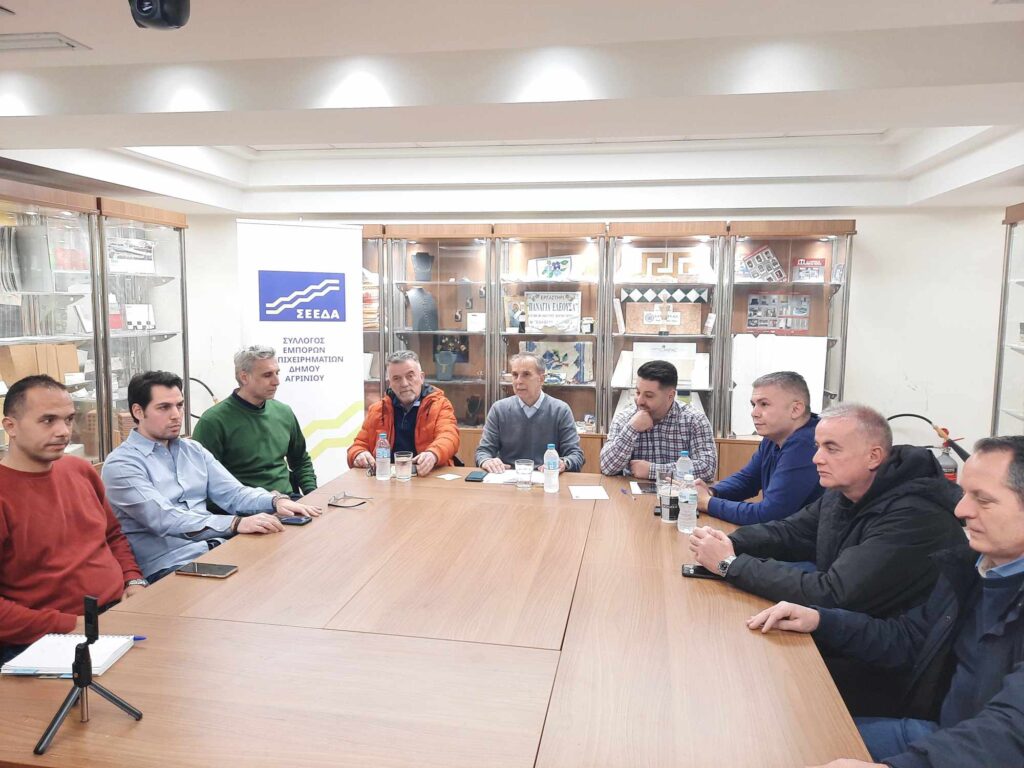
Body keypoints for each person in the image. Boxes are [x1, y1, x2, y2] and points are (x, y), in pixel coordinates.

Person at [748, 436, 1024, 768]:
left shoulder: (921, 521)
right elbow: (910, 638)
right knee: (782, 734)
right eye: (964, 493)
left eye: (984, 500)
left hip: (968, 750)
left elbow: (1011, 731)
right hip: (938, 733)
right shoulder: (973, 566)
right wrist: (821, 620)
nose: (961, 510)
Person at [688, 403, 966, 617]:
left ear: (874, 456)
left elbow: (833, 592)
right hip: (844, 627)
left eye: (831, 449)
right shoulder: (843, 492)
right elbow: (791, 532)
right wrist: (729, 542)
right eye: (818, 447)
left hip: (887, 656)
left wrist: (730, 565)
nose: (816, 458)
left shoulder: (914, 515)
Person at [102, 371, 320, 582]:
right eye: (164, 407)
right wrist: (235, 523)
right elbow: (164, 518)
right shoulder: (122, 465)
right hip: (170, 566)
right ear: (138, 412)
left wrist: (275, 501)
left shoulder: (192, 450)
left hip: (215, 549)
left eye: (179, 405)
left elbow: (233, 493)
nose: (176, 415)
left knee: (293, 568)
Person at [0, 375, 145, 663]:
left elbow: (112, 535)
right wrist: (72, 625)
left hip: (118, 613)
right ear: (10, 426)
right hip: (47, 638)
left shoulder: (80, 470)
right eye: (48, 420)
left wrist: (134, 580)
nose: (63, 431)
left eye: (68, 419)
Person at [696, 371, 823, 525]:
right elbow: (747, 480)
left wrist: (707, 502)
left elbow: (768, 514)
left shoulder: (807, 444)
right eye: (753, 404)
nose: (754, 413)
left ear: (796, 409)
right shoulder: (774, 437)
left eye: (764, 404)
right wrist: (712, 492)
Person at [192, 345, 317, 497]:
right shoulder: (213, 421)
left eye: (277, 373)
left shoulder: (284, 412)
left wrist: (313, 494)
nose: (276, 381)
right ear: (244, 377)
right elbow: (202, 482)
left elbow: (300, 461)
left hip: (289, 500)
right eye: (267, 375)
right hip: (244, 507)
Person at [599, 359, 716, 482]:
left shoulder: (694, 420)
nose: (639, 401)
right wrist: (631, 429)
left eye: (648, 396)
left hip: (679, 492)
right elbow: (607, 468)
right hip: (631, 492)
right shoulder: (625, 418)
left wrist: (653, 471)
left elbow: (707, 468)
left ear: (670, 396)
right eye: (637, 392)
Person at [348, 350, 459, 475]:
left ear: (421, 377)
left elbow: (449, 436)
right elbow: (359, 445)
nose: (404, 384)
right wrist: (358, 454)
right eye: (396, 378)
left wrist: (433, 454)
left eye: (410, 376)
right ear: (390, 383)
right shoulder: (378, 410)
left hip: (428, 475)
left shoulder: (439, 405)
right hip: (387, 478)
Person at [475, 353, 585, 473]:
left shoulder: (560, 410)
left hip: (547, 476)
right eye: (515, 375)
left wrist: (564, 463)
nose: (518, 381)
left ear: (541, 379)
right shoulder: (499, 409)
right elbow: (483, 452)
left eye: (526, 374)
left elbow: (576, 455)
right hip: (508, 478)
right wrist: (487, 461)